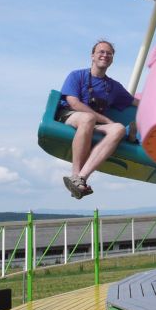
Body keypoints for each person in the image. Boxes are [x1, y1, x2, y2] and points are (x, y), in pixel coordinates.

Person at [57, 40, 137, 198]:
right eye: (101, 52)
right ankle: (75, 173)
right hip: (71, 116)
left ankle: (81, 178)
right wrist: (106, 120)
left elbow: (135, 102)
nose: (105, 55)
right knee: (87, 118)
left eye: (109, 53)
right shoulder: (76, 76)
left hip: (93, 124)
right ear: (92, 56)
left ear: (112, 59)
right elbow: (73, 103)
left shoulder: (113, 87)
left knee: (119, 129)